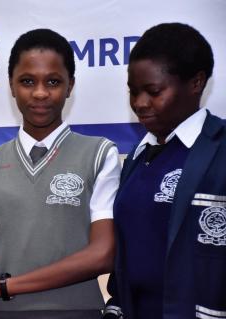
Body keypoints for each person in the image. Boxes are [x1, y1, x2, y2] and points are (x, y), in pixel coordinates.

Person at [0, 29, 122, 319]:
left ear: (70, 85)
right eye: (27, 81)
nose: (40, 92)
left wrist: (8, 286)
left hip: (74, 312)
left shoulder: (99, 154)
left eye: (53, 81)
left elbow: (103, 254)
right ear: (11, 85)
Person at [103, 23, 226, 319]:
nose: (140, 104)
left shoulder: (221, 149)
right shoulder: (138, 155)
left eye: (153, 91)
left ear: (196, 82)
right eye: (133, 92)